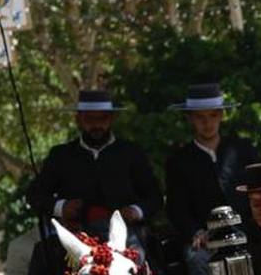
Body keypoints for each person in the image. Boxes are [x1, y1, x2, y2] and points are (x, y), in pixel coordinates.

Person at [164, 83, 261, 275]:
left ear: (221, 116)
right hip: (205, 239)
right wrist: (195, 232)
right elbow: (176, 208)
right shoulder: (179, 160)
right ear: (190, 118)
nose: (207, 123)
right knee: (196, 258)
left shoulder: (242, 150)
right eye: (200, 117)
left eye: (212, 116)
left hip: (246, 232)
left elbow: (259, 191)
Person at [27, 89, 162, 246]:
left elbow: (155, 196)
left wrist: (136, 211)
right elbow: (35, 194)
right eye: (89, 119)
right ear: (78, 120)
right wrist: (61, 207)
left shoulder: (131, 152)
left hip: (126, 234)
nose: (96, 125)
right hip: (76, 236)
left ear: (111, 119)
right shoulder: (61, 155)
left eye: (102, 119)